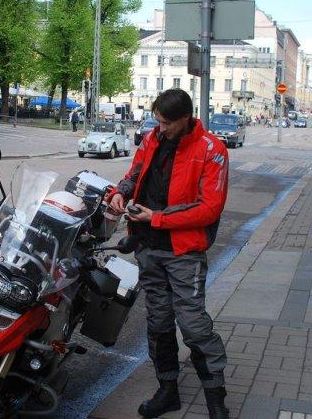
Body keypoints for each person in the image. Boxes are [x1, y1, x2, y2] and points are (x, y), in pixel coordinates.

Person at [107, 89, 230, 419]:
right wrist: (120, 193)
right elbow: (135, 174)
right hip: (148, 247)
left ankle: (216, 398)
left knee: (194, 326)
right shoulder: (152, 139)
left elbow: (210, 208)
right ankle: (168, 390)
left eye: (166, 123)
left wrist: (156, 217)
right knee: (159, 323)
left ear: (185, 118)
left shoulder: (212, 150)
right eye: (157, 121)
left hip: (183, 252)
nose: (160, 128)